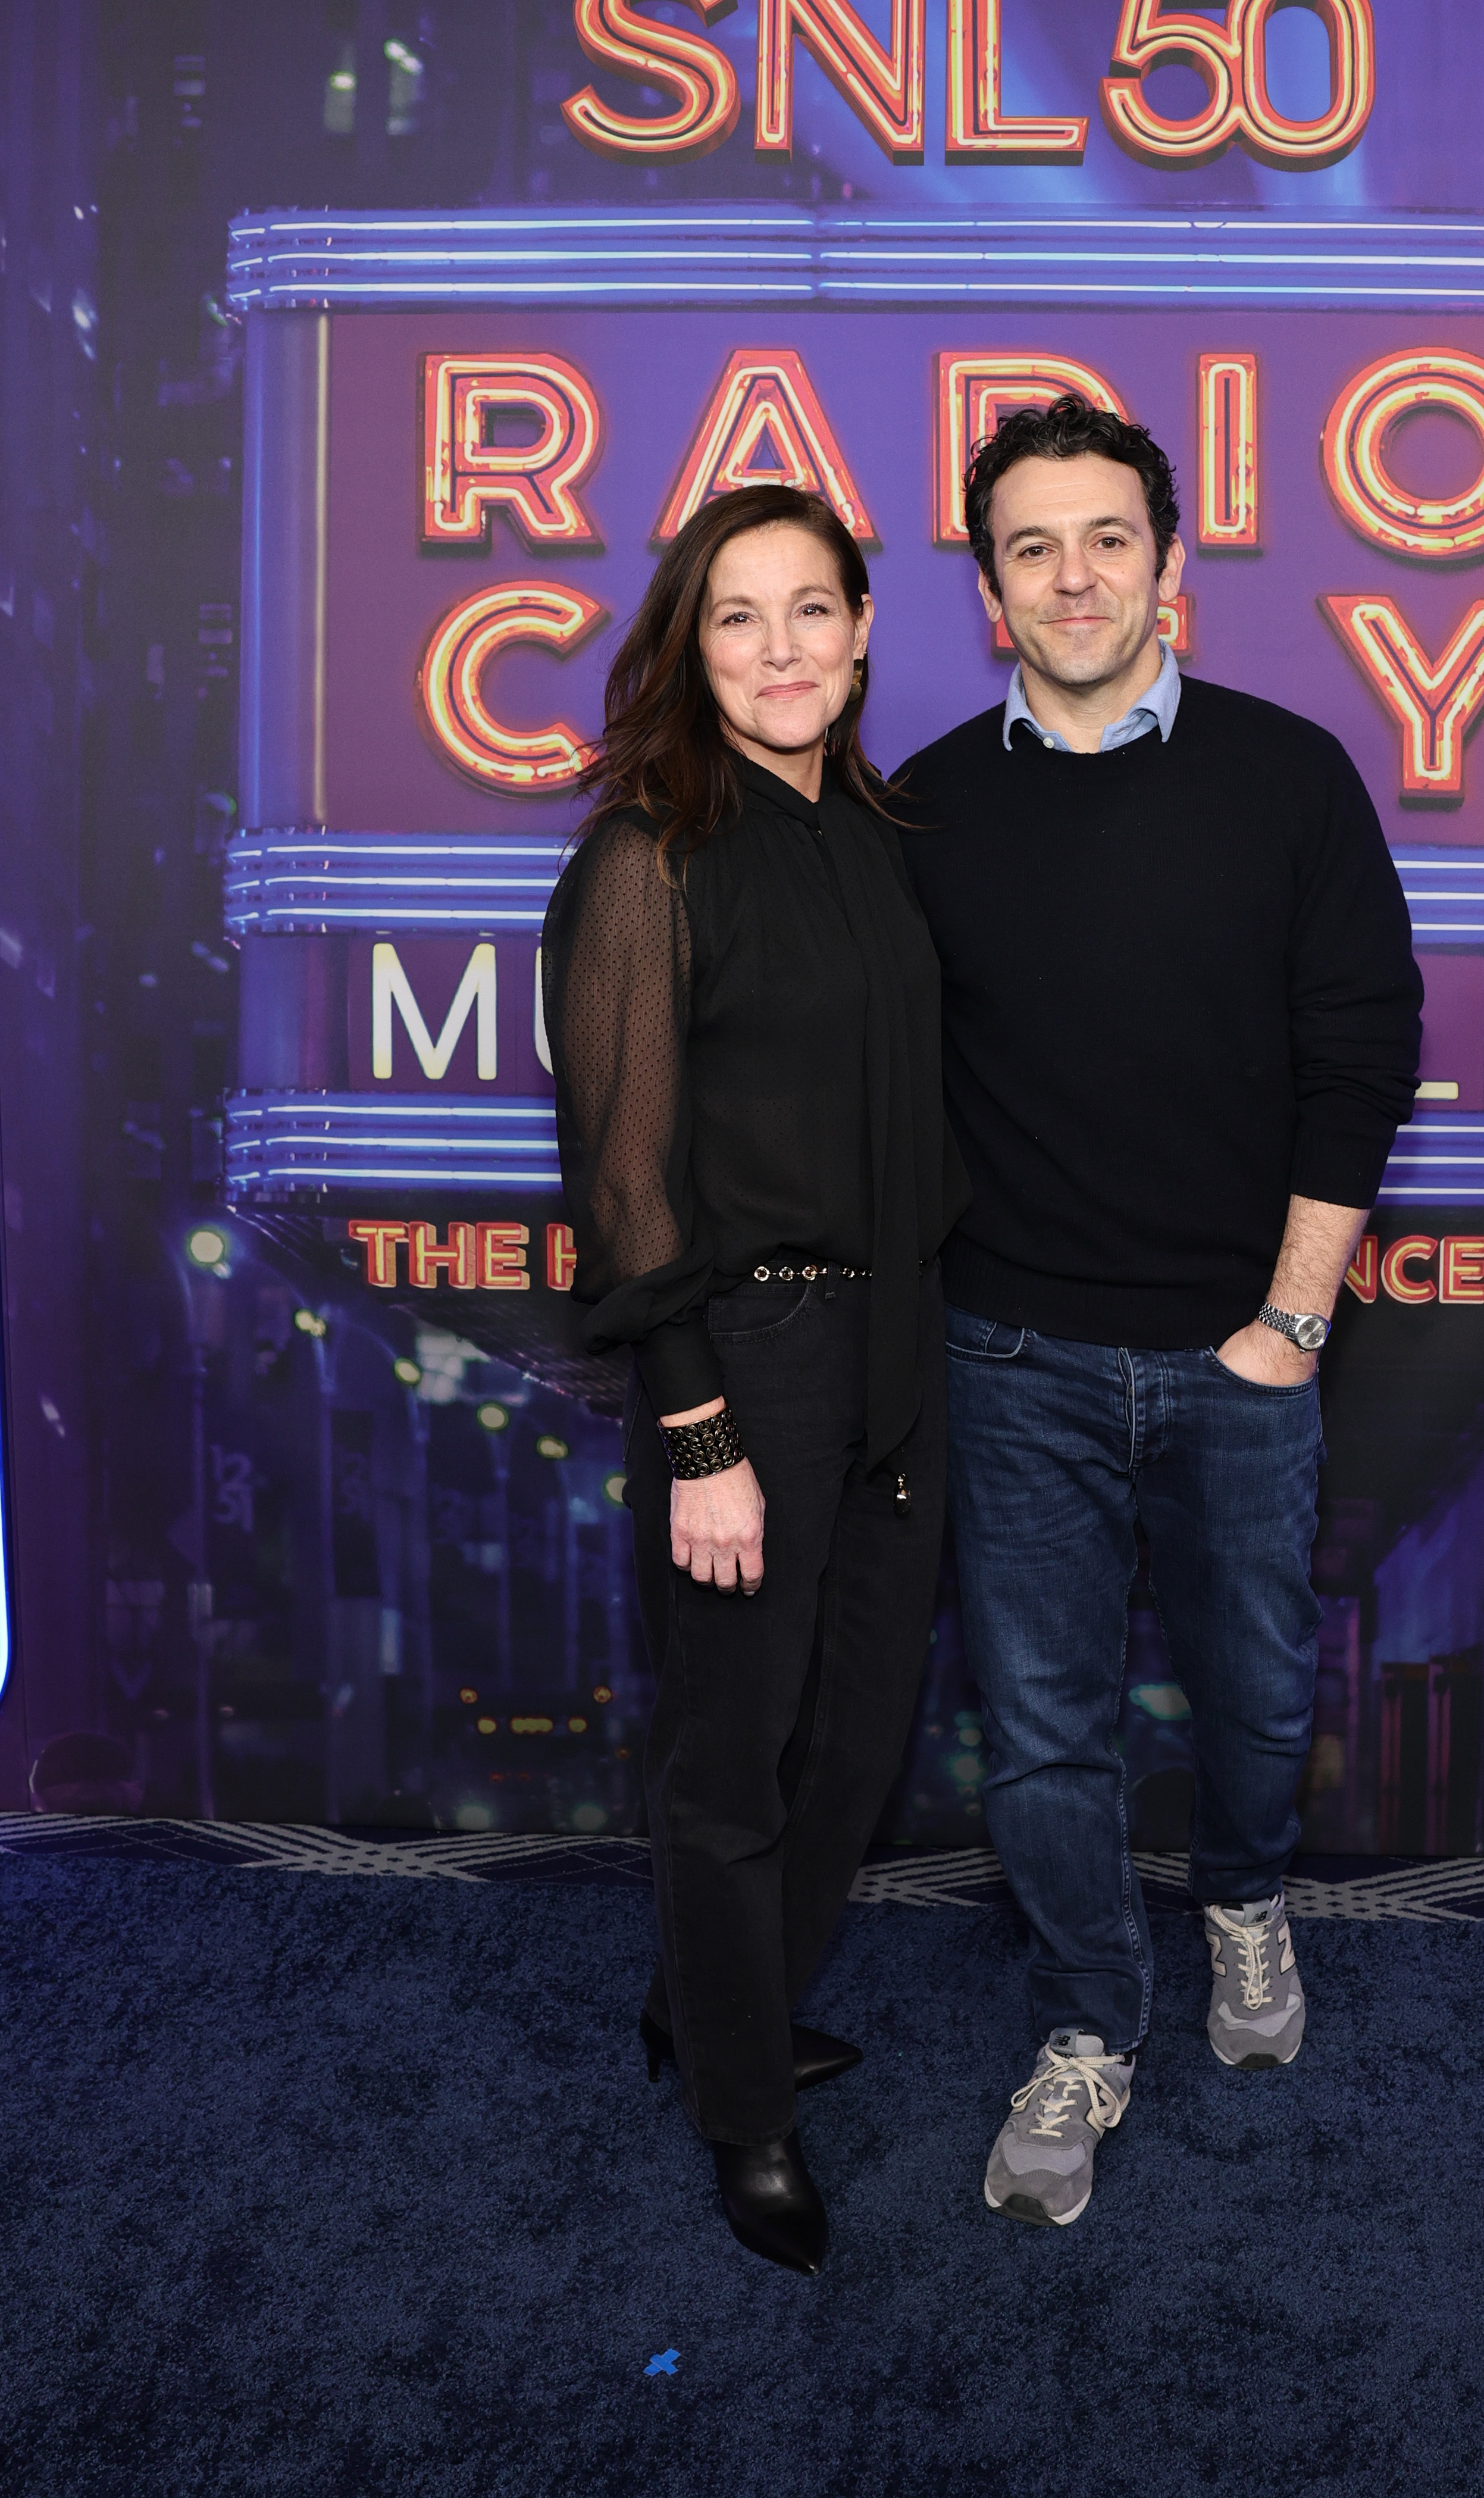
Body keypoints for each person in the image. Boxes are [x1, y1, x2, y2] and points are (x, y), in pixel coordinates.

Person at [897, 396, 1422, 2228]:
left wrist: (1287, 1322)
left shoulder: (1291, 776)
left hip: (1239, 1357)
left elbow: (1363, 1050)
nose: (1073, 575)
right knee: (1043, 1731)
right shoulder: (932, 806)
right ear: (988, 591)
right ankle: (1084, 2027)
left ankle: (1250, 1906)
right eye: (1030, 546)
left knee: (1260, 1700)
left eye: (1107, 536)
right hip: (1011, 1358)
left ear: (1172, 563)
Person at [540, 483, 967, 2276]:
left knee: (854, 1745)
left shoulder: (882, 840)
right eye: (739, 615)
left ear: (866, 633)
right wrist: (700, 1426)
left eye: (813, 610)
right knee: (735, 1759)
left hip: (898, 1355)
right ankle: (745, 2111)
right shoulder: (650, 854)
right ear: (686, 643)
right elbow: (625, 1182)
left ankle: (714, 2005)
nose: (782, 647)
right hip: (753, 1368)